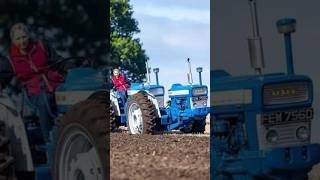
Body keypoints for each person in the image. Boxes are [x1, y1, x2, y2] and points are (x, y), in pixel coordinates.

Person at [8, 23, 64, 142]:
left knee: (71, 94)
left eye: (24, 37)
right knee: (44, 101)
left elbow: (58, 61)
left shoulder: (41, 46)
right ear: (13, 40)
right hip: (34, 91)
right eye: (18, 38)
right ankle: (49, 141)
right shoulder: (11, 60)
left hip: (54, 83)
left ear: (28, 36)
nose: (22, 41)